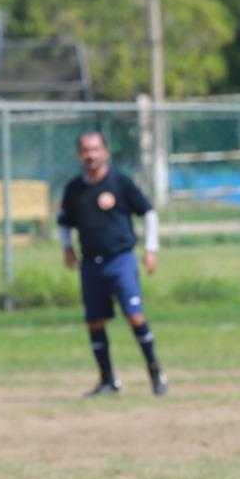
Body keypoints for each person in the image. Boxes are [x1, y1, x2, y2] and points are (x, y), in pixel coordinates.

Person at [58, 131, 168, 397]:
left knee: (135, 316)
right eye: (85, 150)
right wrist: (67, 248)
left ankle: (155, 371)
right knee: (95, 322)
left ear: (105, 152)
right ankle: (108, 380)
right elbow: (64, 222)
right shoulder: (74, 188)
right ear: (79, 155)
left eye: (95, 149)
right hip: (91, 264)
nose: (90, 155)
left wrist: (151, 249)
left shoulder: (120, 182)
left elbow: (149, 212)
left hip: (120, 260)